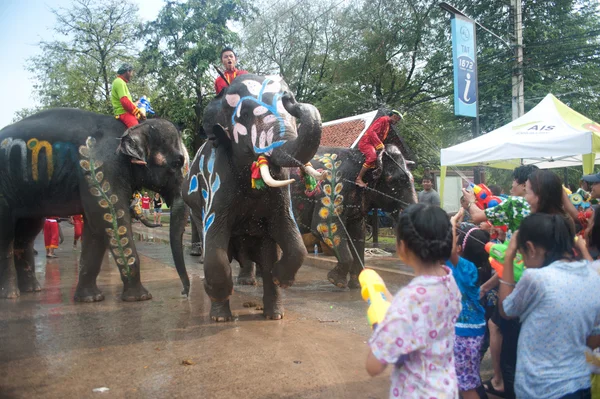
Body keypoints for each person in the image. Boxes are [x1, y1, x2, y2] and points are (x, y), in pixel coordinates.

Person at [499, 213, 600, 399]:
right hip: (580, 384)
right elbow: (593, 340)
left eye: (521, 254)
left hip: (541, 389)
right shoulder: (594, 278)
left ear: (530, 248)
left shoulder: (537, 278)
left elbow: (506, 310)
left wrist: (508, 257)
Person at [366, 203, 462, 398]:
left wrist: (379, 323)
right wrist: (384, 291)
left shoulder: (410, 299)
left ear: (403, 246)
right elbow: (417, 315)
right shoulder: (450, 282)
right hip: (446, 388)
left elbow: (374, 365)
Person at [446, 209, 488, 399]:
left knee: (465, 385)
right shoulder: (474, 267)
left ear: (459, 248)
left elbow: (447, 249)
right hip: (474, 329)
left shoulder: (461, 267)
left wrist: (453, 223)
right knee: (468, 378)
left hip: (463, 332)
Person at [355, 110, 403, 188]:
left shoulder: (387, 124)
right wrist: (379, 144)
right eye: (398, 120)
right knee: (372, 157)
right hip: (366, 143)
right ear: (394, 116)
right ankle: (359, 178)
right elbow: (372, 131)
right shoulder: (383, 119)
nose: (398, 122)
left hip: (373, 145)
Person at [111, 63, 145, 128]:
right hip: (124, 113)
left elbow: (127, 102)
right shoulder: (119, 82)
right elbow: (125, 102)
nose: (131, 75)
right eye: (131, 72)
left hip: (127, 112)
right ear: (127, 72)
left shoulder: (121, 82)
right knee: (137, 130)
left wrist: (136, 103)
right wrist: (138, 112)